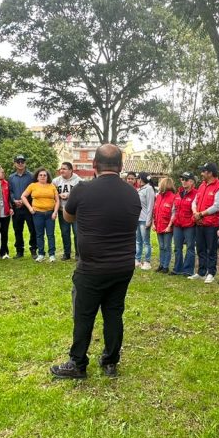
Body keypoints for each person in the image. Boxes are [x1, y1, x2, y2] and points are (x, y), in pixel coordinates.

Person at [51, 144, 141, 379]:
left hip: (91, 267)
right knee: (114, 313)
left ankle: (78, 363)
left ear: (93, 166)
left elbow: (68, 217)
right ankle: (110, 362)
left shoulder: (82, 190)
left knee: (84, 315)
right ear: (121, 167)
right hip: (122, 266)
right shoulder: (132, 193)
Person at [192, 162, 219, 284]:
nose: (201, 174)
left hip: (211, 224)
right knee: (200, 248)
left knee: (211, 249)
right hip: (199, 222)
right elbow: (194, 202)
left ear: (210, 173)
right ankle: (201, 272)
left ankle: (211, 272)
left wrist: (201, 214)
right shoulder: (202, 186)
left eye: (203, 171)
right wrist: (196, 213)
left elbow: (217, 206)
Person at [21, 168, 59, 261]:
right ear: (37, 177)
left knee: (50, 235)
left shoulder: (52, 186)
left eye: (44, 175)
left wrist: (55, 212)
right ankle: (41, 254)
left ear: (47, 177)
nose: (42, 177)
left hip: (50, 214)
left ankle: (52, 255)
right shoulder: (33, 185)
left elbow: (57, 200)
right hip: (37, 214)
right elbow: (23, 196)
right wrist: (30, 208)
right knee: (39, 235)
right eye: (40, 175)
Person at [8, 154, 36, 258]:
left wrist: (25, 201)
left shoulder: (31, 176)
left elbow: (34, 191)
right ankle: (19, 251)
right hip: (16, 208)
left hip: (28, 208)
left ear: (25, 163)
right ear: (15, 163)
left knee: (32, 229)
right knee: (17, 230)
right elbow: (10, 192)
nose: (20, 164)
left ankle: (33, 249)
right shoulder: (11, 177)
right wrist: (14, 201)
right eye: (18, 162)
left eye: (22, 162)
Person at [172, 172, 197, 276]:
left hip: (189, 225)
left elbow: (196, 209)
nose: (183, 181)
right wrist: (172, 221)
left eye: (186, 179)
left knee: (190, 248)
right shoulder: (178, 193)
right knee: (177, 248)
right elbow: (174, 209)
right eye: (182, 179)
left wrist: (193, 221)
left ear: (192, 182)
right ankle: (177, 268)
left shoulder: (196, 193)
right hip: (178, 224)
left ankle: (188, 270)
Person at [54, 162, 81, 260]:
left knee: (77, 232)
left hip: (75, 211)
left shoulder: (78, 181)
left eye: (64, 169)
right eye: (61, 169)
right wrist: (58, 195)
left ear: (70, 170)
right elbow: (52, 192)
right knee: (65, 233)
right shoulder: (56, 181)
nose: (62, 171)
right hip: (62, 210)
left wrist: (70, 195)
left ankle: (78, 254)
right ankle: (67, 253)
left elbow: (82, 194)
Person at [152, 177, 176, 273]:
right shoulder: (158, 197)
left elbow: (174, 213)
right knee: (161, 246)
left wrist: (169, 226)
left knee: (167, 246)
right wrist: (154, 223)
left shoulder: (173, 197)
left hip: (167, 227)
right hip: (158, 225)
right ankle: (161, 264)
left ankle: (166, 266)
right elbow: (155, 211)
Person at [136, 172, 155, 270]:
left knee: (146, 242)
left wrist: (149, 221)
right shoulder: (140, 189)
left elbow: (150, 206)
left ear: (141, 179)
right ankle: (137, 259)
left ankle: (147, 261)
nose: (137, 180)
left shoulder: (149, 189)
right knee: (138, 241)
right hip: (138, 219)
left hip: (144, 220)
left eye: (138, 178)